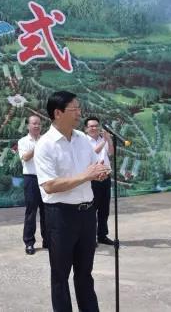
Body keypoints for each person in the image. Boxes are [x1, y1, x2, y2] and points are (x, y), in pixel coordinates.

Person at [34, 91, 110, 312]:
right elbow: (49, 185)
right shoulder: (45, 144)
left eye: (79, 108)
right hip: (61, 216)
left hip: (87, 214)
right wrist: (86, 176)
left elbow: (95, 166)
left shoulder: (82, 139)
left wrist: (100, 172)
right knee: (60, 275)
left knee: (85, 272)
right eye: (74, 109)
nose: (79, 113)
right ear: (58, 113)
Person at [18, 115, 47, 255]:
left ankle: (48, 240)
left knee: (47, 211)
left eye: (39, 124)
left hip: (46, 178)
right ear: (28, 126)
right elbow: (25, 157)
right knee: (31, 212)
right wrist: (38, 146)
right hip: (31, 179)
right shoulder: (23, 141)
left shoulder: (46, 140)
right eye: (34, 123)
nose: (37, 126)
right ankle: (29, 242)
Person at [84, 116, 115, 247]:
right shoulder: (84, 141)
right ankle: (90, 237)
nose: (94, 128)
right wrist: (105, 140)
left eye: (96, 125)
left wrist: (109, 140)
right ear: (86, 129)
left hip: (105, 176)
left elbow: (111, 153)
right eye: (91, 126)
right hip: (93, 179)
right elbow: (93, 152)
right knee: (92, 210)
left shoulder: (103, 139)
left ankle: (102, 235)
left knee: (104, 209)